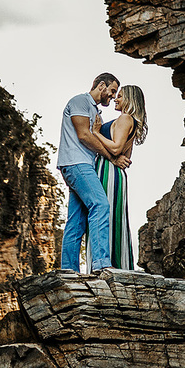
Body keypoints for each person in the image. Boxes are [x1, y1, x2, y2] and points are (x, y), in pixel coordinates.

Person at [56, 73, 130, 271]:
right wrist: (112, 158)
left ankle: (69, 270)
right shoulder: (80, 101)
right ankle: (101, 264)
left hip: (81, 166)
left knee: (76, 221)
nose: (113, 96)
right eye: (112, 91)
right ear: (101, 85)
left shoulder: (95, 112)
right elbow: (84, 135)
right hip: (77, 164)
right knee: (100, 204)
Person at [86, 84, 149, 271]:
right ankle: (118, 265)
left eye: (120, 96)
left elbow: (116, 148)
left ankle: (102, 266)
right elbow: (126, 157)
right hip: (116, 173)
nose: (116, 99)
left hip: (107, 171)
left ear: (129, 99)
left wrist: (96, 133)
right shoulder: (133, 122)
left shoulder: (125, 118)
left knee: (102, 217)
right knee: (114, 217)